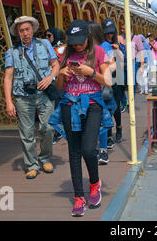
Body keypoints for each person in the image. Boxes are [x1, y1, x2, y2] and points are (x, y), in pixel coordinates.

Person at [48, 19, 112, 217]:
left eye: (81, 41)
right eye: (74, 42)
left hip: (92, 105)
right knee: (74, 152)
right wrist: (62, 74)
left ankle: (94, 184)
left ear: (88, 37)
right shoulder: (65, 53)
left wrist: (91, 72)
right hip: (69, 104)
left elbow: (108, 81)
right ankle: (78, 196)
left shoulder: (99, 52)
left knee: (88, 149)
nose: (78, 45)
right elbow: (59, 87)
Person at [4, 16, 60, 180]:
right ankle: (32, 164)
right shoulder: (12, 52)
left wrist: (50, 78)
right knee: (26, 133)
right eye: (21, 31)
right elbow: (8, 77)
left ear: (33, 30)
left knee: (47, 128)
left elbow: (55, 65)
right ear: (17, 33)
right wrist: (9, 101)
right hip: (23, 97)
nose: (25, 33)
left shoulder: (44, 44)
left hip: (44, 94)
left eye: (27, 29)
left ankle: (45, 157)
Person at [88, 20, 116, 164]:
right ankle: (92, 150)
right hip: (85, 90)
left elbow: (113, 65)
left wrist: (100, 71)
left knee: (101, 120)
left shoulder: (104, 46)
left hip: (100, 88)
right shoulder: (83, 48)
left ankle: (103, 151)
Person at [102, 19, 124, 144]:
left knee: (116, 106)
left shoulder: (119, 42)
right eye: (107, 33)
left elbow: (126, 59)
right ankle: (109, 135)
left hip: (118, 76)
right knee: (107, 106)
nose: (109, 35)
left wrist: (119, 50)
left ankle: (119, 127)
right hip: (107, 76)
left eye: (111, 33)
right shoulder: (102, 44)